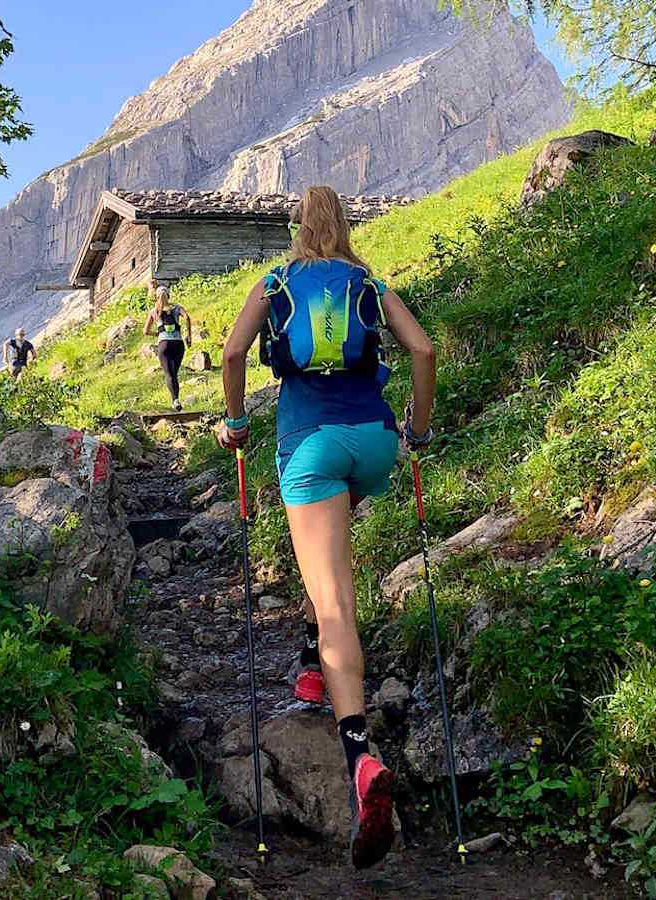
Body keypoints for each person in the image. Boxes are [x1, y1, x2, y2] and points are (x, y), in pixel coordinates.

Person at [217, 185, 436, 870]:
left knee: (335, 595)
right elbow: (423, 353)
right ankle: (313, 667)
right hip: (372, 441)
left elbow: (229, 355)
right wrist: (417, 432)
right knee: (327, 563)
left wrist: (235, 424)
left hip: (308, 445)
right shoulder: (367, 282)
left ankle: (358, 755)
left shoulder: (277, 281)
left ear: (297, 228)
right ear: (342, 226)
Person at [142, 283, 192, 411]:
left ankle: (175, 400)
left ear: (156, 297)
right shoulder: (176, 308)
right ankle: (176, 399)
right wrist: (188, 335)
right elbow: (187, 317)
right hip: (178, 344)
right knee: (174, 373)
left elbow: (145, 331)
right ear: (168, 296)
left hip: (164, 344)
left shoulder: (154, 312)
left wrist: (158, 333)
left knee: (169, 374)